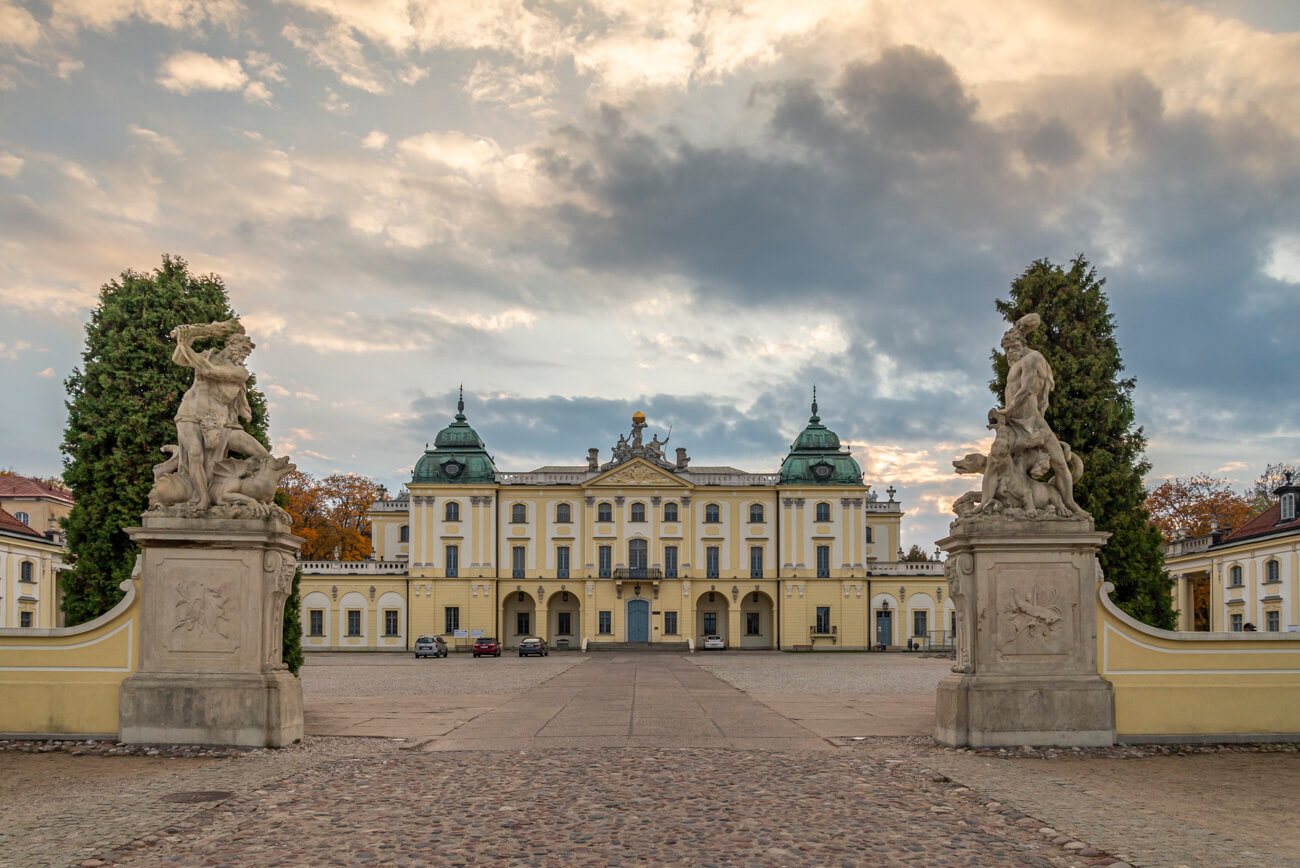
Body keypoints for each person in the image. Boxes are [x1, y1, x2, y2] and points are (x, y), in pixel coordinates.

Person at [169, 320, 269, 510]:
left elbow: (208, 370)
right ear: (231, 344)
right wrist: (188, 339)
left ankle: (240, 490)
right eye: (243, 349)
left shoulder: (239, 372)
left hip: (220, 421)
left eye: (247, 352)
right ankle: (203, 499)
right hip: (190, 413)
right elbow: (179, 359)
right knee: (195, 455)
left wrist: (184, 344)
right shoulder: (208, 355)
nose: (245, 354)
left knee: (263, 456)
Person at [997, 313, 1083, 515]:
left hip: (1032, 421)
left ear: (1021, 344)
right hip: (1013, 422)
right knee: (1000, 462)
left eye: (1011, 348)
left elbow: (1027, 389)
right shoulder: (1016, 364)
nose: (1009, 353)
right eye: (1006, 349)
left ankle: (1069, 503)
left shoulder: (1032, 358)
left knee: (1060, 463)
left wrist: (1007, 410)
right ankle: (1006, 502)